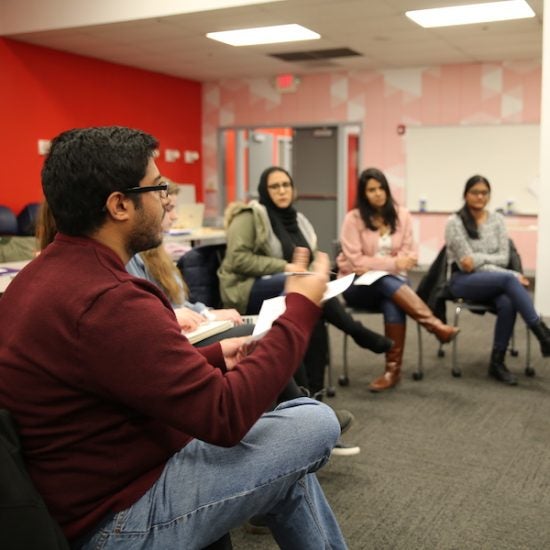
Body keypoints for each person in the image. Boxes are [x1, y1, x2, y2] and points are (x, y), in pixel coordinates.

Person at [0, 126, 349, 549]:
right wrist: (299, 311)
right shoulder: (109, 299)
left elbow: (116, 373)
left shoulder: (43, 277)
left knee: (286, 469)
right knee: (313, 421)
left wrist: (216, 356)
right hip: (116, 521)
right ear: (120, 205)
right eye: (158, 186)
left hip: (102, 487)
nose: (168, 199)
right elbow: (225, 417)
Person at [218, 165, 393, 396]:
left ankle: (314, 391)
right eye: (275, 186)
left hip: (288, 289)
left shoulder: (298, 219)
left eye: (286, 185)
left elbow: (308, 258)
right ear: (264, 190)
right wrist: (286, 267)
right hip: (248, 288)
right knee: (301, 287)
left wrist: (314, 270)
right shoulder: (250, 216)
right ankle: (355, 330)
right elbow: (237, 259)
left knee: (314, 309)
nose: (282, 191)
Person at [337, 167, 459, 392]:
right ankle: (433, 325)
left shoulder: (402, 215)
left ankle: (392, 371)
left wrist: (377, 264)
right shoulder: (352, 219)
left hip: (393, 288)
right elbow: (356, 261)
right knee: (384, 280)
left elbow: (410, 255)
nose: (378, 193)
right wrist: (393, 264)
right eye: (371, 189)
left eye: (381, 187)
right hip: (357, 286)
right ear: (364, 194)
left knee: (391, 297)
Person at [445, 174, 550, 385]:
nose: (480, 197)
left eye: (484, 193)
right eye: (475, 192)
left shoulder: (498, 220)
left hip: (493, 280)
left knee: (508, 301)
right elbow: (465, 264)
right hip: (462, 280)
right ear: (466, 195)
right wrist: (510, 274)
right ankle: (543, 334)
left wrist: (479, 260)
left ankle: (497, 361)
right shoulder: (455, 222)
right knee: (510, 281)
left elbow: (503, 257)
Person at [126, 181, 248, 341]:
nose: (175, 216)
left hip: (182, 329)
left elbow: (179, 305)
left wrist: (206, 313)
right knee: (251, 334)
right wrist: (205, 315)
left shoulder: (158, 253)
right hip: (172, 335)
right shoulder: (135, 257)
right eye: (168, 208)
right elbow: (156, 314)